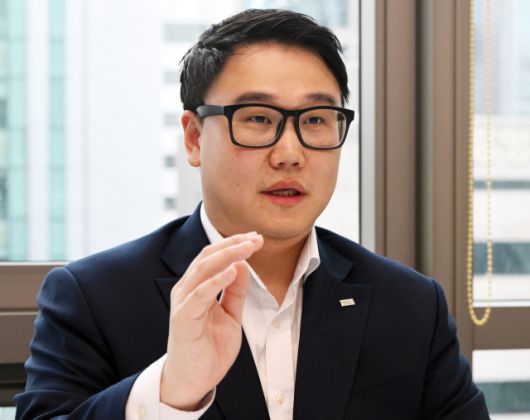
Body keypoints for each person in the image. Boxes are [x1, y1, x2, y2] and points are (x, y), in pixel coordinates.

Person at [14, 8, 490, 420]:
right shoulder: (93, 298)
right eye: (259, 119)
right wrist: (170, 391)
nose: (290, 154)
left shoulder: (410, 304)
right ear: (194, 138)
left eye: (315, 120)